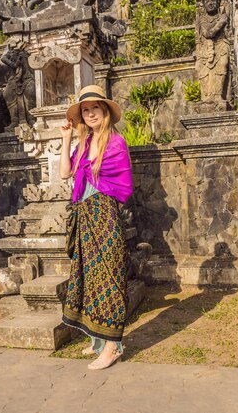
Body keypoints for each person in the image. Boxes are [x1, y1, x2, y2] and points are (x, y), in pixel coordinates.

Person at [59, 85, 133, 370]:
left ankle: (113, 346)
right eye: (85, 110)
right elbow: (66, 173)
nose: (90, 114)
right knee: (89, 279)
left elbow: (121, 184)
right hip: (84, 215)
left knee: (109, 279)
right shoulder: (84, 145)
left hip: (104, 215)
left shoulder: (115, 144)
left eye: (95, 109)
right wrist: (67, 139)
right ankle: (98, 339)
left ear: (105, 112)